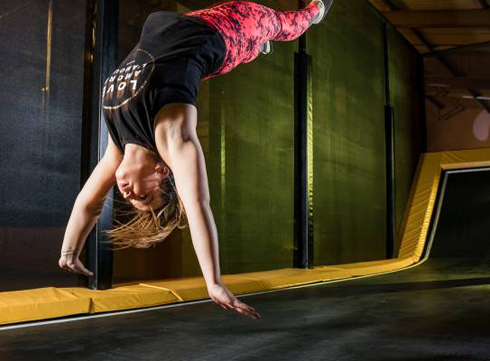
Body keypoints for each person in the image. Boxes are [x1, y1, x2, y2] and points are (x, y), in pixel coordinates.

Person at [59, 0, 333, 320]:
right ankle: (315, 12)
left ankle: (256, 48)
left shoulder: (118, 147)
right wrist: (213, 282)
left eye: (130, 200)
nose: (128, 194)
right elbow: (198, 205)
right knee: (286, 25)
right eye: (144, 196)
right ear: (162, 171)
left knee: (235, 48)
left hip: (189, 30)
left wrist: (69, 251)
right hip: (227, 29)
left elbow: (88, 203)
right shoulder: (173, 137)